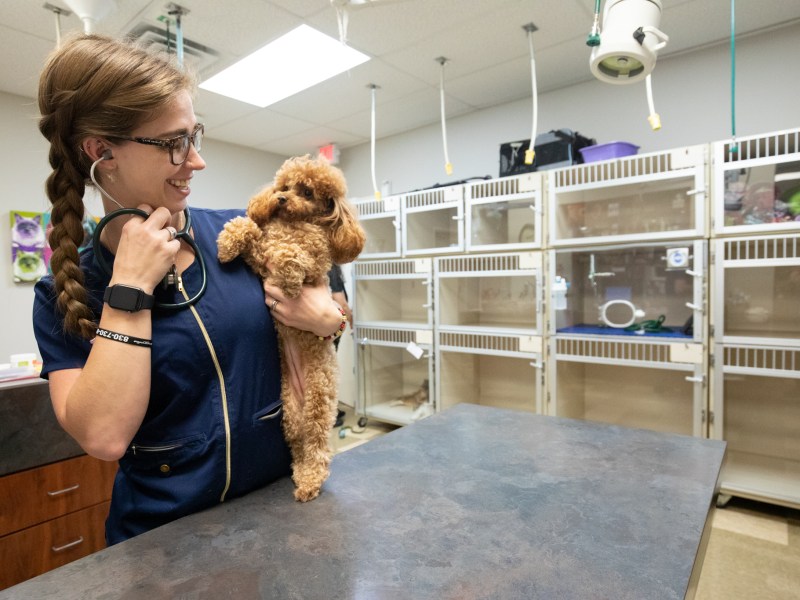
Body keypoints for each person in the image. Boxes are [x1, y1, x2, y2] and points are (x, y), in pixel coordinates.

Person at [33, 34, 346, 545]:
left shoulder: (242, 233)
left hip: (280, 513)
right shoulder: (65, 291)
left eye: (193, 135)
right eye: (174, 143)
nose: (196, 161)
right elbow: (104, 436)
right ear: (101, 151)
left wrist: (329, 318)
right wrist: (129, 287)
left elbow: (331, 299)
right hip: (164, 541)